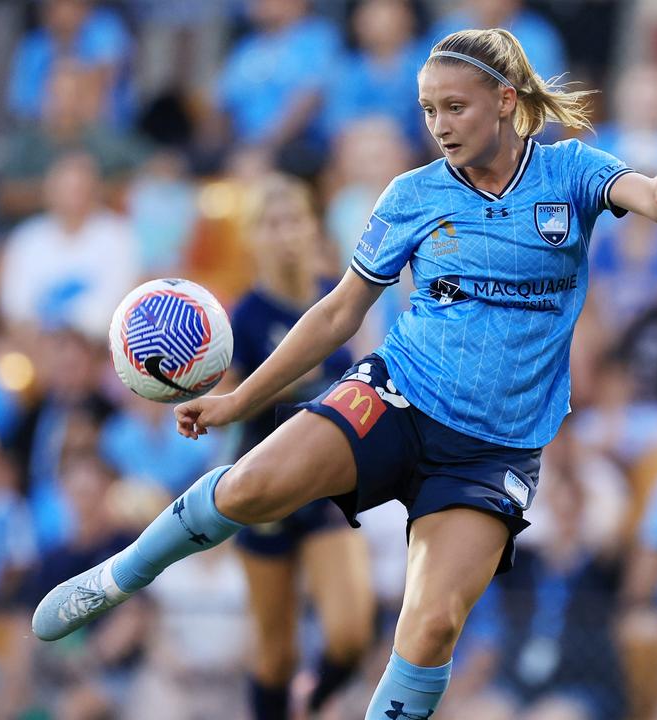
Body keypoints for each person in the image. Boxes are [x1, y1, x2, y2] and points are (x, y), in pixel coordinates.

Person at [33, 27, 657, 720]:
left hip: (492, 449)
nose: (439, 126)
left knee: (432, 625)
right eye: (428, 110)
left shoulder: (570, 173)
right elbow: (337, 315)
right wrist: (237, 400)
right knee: (254, 486)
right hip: (397, 393)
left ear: (505, 101)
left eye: (456, 107)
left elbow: (644, 194)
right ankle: (120, 575)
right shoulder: (411, 195)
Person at [229, 174, 374, 719]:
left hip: (328, 482)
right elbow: (232, 403)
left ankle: (310, 703)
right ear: (253, 237)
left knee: (350, 635)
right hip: (265, 486)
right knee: (275, 651)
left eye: (294, 220)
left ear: (313, 228)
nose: (285, 233)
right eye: (271, 223)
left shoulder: (335, 300)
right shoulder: (247, 317)